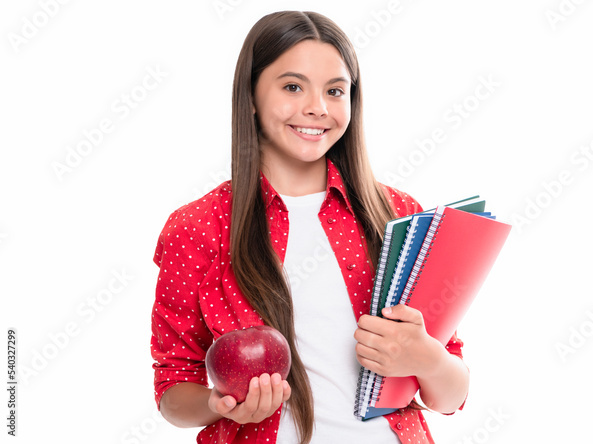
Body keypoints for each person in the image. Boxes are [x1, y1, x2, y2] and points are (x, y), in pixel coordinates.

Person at [149, 11, 469, 444]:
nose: (317, 107)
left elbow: (452, 394)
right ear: (251, 95)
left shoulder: (399, 216)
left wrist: (428, 359)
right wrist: (219, 405)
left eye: (335, 91)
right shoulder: (198, 227)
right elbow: (173, 389)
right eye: (293, 86)